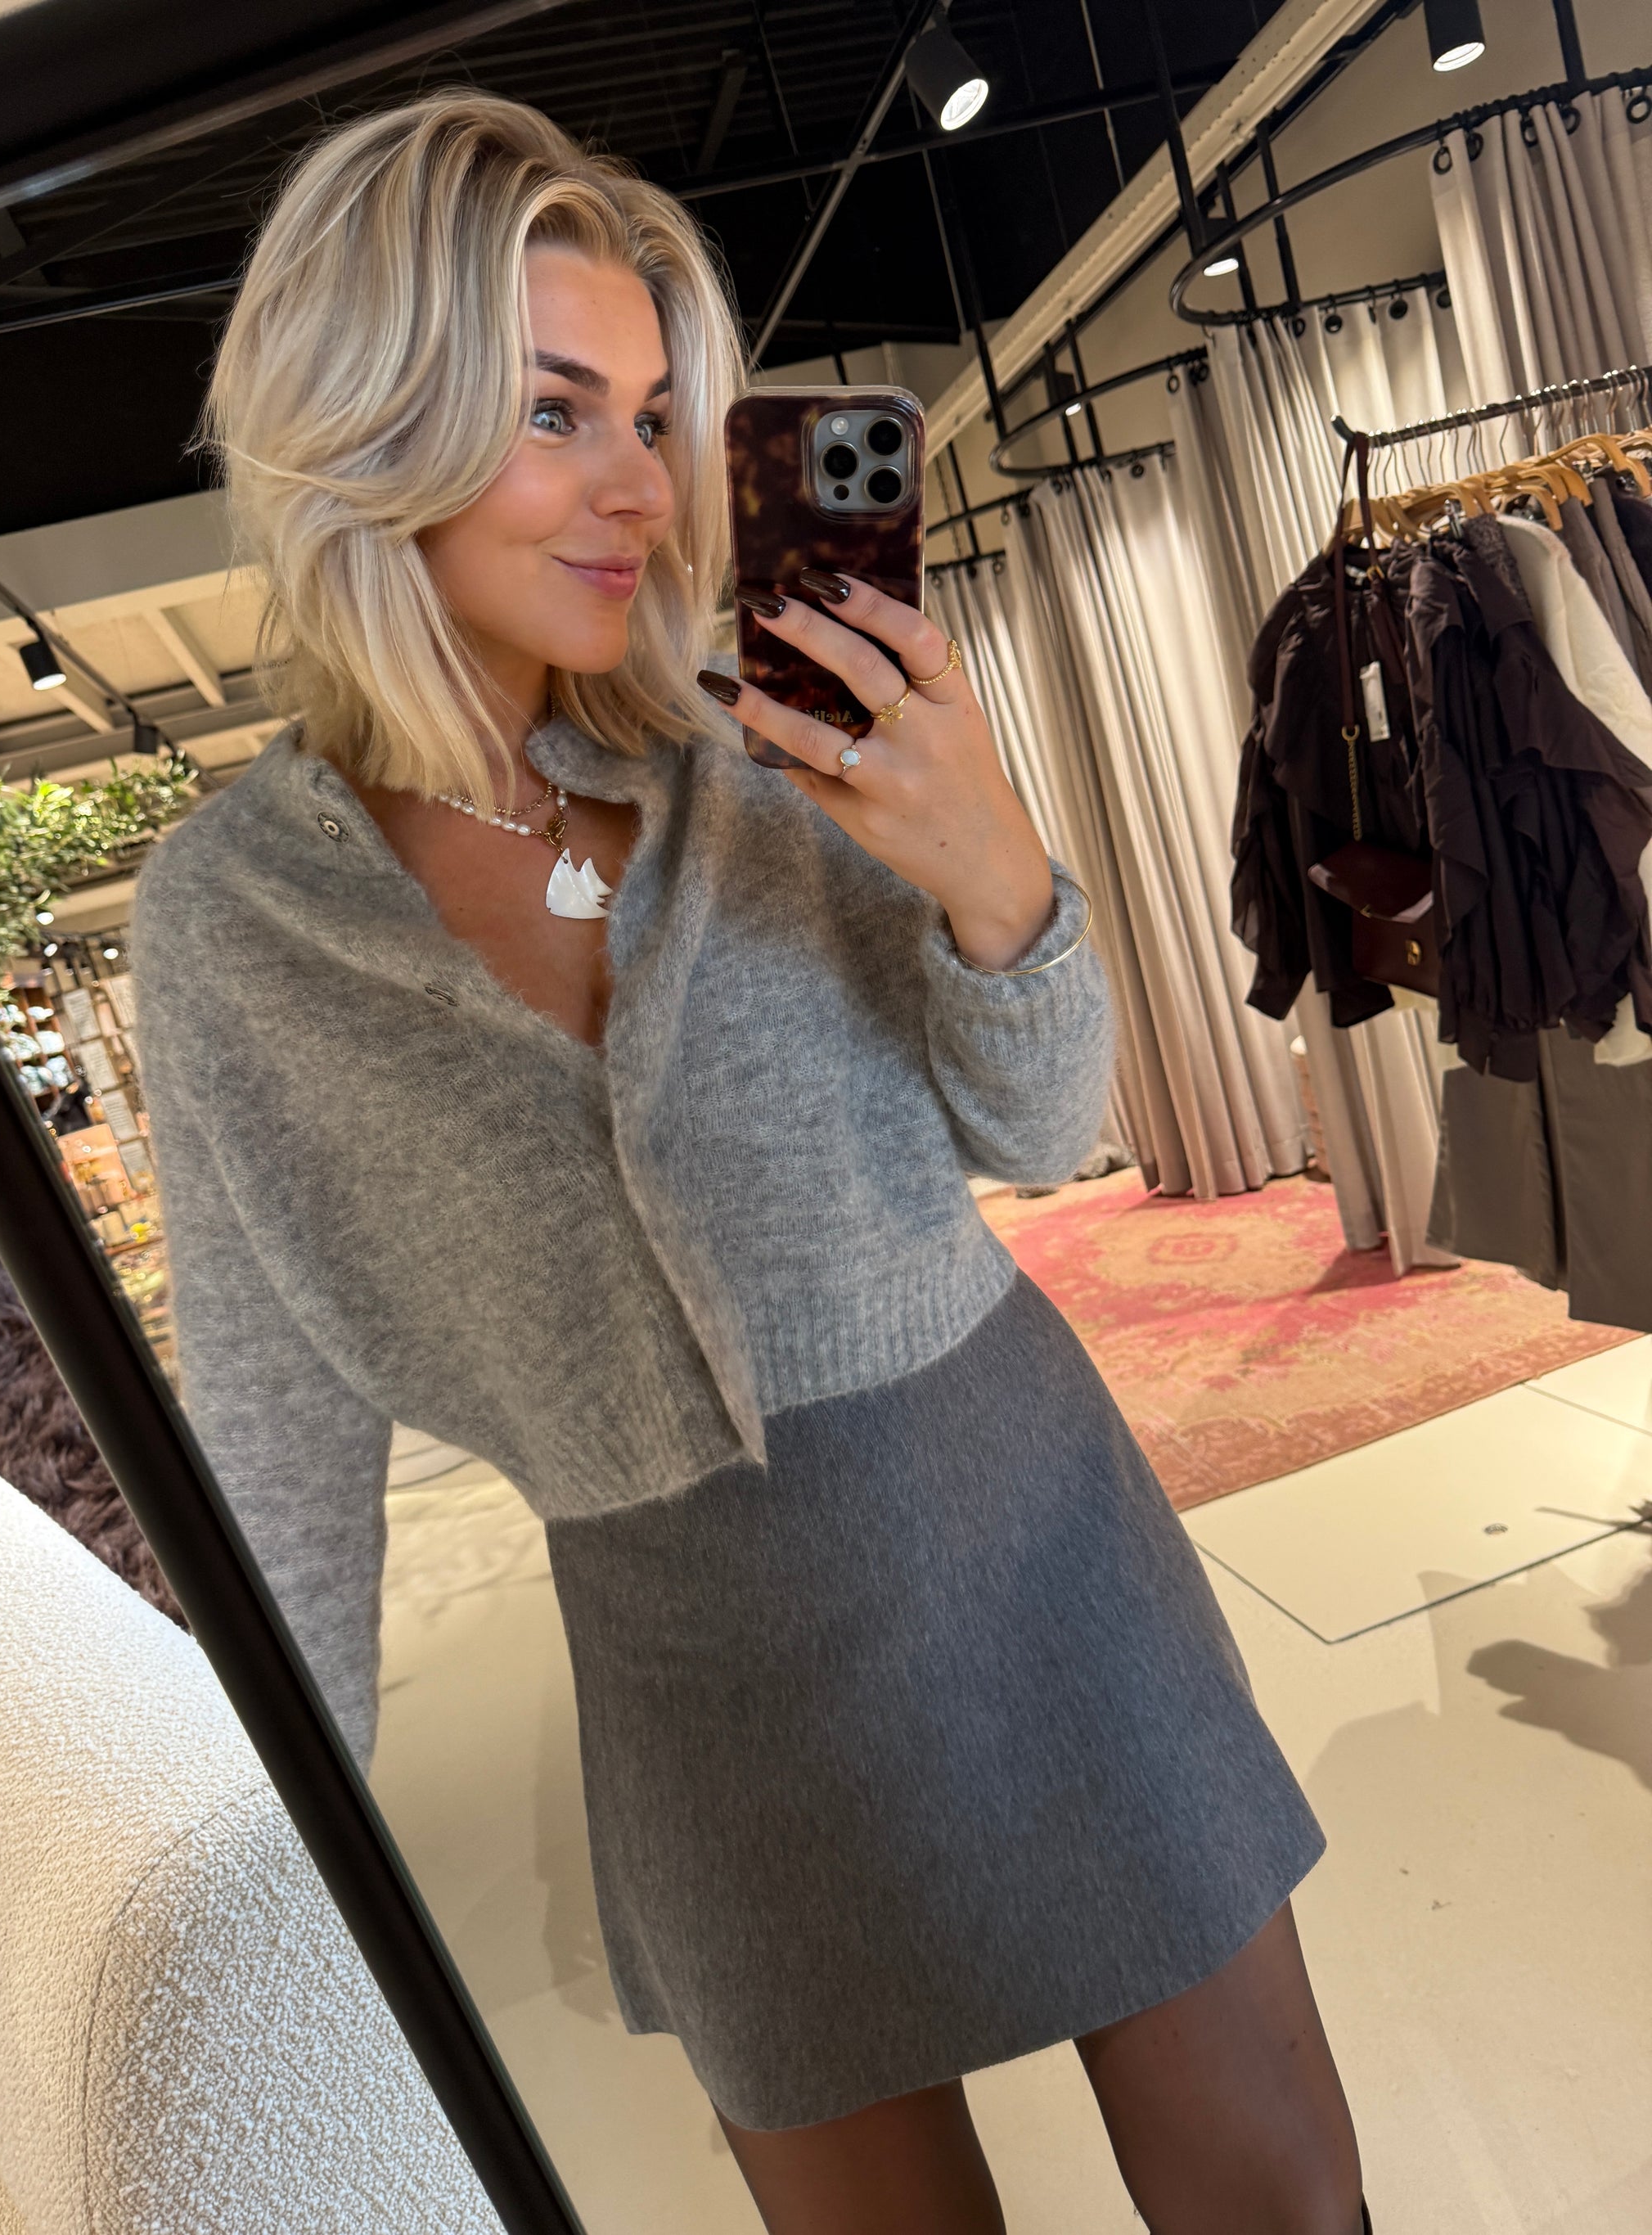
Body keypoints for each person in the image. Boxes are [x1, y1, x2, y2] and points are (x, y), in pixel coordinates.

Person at [132, 92, 1368, 2235]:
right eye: (553, 411)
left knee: (1279, 2201)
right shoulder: (234, 926)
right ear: (369, 415)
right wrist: (254, 1891)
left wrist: (997, 876)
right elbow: (274, 1448)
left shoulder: (756, 752)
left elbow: (1037, 1126)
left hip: (1042, 1562)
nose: (640, 480)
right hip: (707, 1692)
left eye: (651, 413)